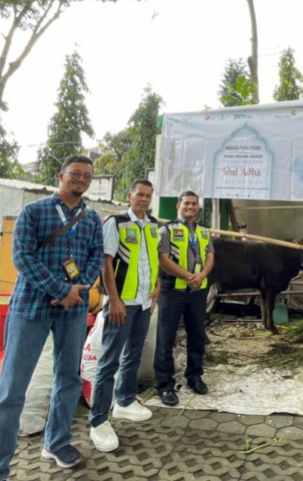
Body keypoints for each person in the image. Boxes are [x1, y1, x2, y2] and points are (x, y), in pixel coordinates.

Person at [0, 156, 104, 480]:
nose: (81, 179)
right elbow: (22, 257)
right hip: (31, 307)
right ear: (61, 176)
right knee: (11, 392)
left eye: (87, 176)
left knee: (68, 378)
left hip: (73, 310)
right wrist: (61, 289)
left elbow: (93, 259)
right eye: (75, 174)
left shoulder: (92, 220)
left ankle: (57, 441)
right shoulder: (34, 211)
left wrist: (78, 289)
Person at [88, 180, 161, 453]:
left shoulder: (153, 225)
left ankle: (125, 401)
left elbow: (154, 260)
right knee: (108, 361)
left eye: (148, 196)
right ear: (129, 196)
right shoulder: (116, 224)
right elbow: (105, 262)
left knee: (134, 353)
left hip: (144, 302)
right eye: (139, 195)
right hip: (122, 303)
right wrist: (114, 299)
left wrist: (158, 287)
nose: (143, 199)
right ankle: (98, 420)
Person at [154, 190, 214, 406]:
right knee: (165, 339)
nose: (190, 207)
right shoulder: (167, 230)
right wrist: (189, 276)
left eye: (194, 204)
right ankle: (165, 385)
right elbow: (163, 259)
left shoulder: (204, 232)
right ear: (178, 206)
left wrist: (202, 276)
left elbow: (210, 256)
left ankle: (195, 376)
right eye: (186, 203)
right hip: (172, 292)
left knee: (197, 335)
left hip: (198, 293)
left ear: (198, 207)